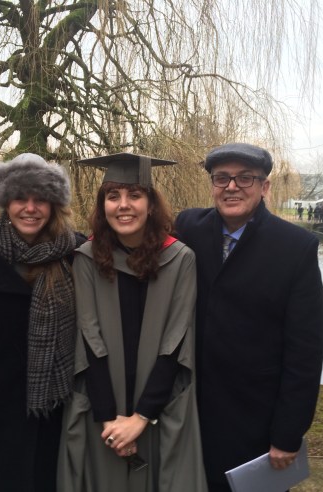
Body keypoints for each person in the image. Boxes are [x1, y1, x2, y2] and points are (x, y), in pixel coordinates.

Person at [174, 143, 323, 492]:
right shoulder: (189, 227)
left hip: (254, 420)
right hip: (192, 416)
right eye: (222, 178)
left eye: (245, 178)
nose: (232, 187)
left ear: (264, 186)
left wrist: (288, 433)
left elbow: (305, 351)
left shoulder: (295, 247)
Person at [58, 153, 207, 492]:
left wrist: (140, 418)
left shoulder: (180, 259)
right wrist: (111, 421)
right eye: (113, 196)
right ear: (103, 206)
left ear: (151, 205)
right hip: (101, 408)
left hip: (160, 406)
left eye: (134, 195)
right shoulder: (86, 259)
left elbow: (177, 343)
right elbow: (88, 338)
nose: (123, 205)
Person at [0, 154, 83, 491]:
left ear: (54, 204)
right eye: (20, 198)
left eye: (41, 199)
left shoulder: (77, 254)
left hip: (59, 406)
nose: (30, 208)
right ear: (6, 202)